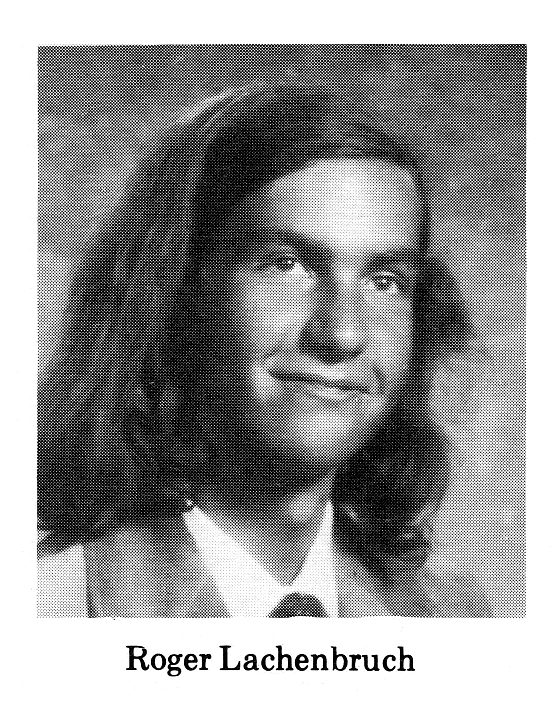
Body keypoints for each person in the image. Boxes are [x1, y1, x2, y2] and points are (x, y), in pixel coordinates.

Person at [38, 82, 491, 617]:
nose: (342, 335)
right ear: (178, 292)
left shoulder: (457, 623)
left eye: (386, 281)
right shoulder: (48, 602)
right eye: (285, 265)